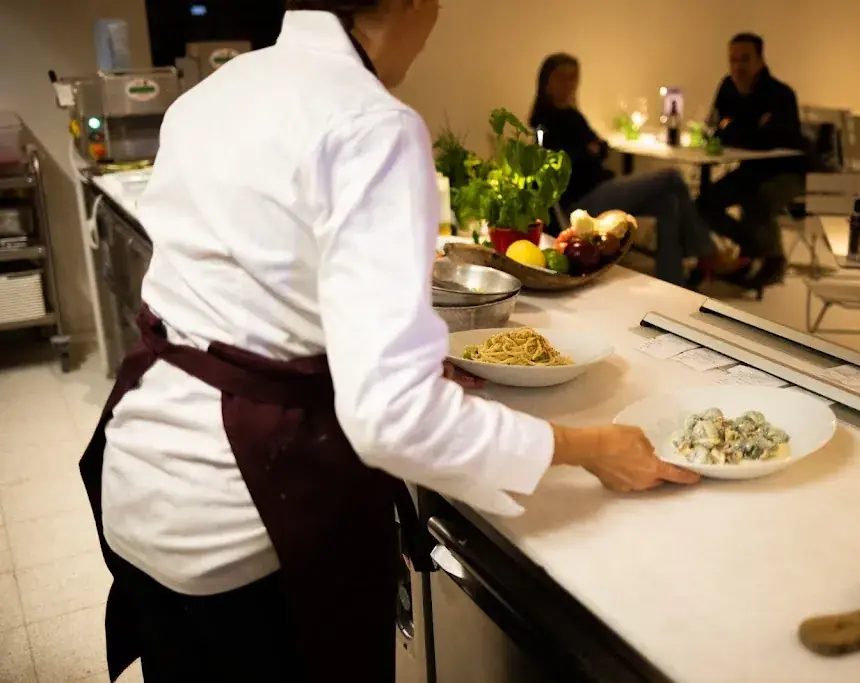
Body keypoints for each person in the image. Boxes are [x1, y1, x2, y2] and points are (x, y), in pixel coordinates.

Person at [78, 4, 700, 682]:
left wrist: (386, 353)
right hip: (244, 520)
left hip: (139, 481)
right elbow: (392, 421)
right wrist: (593, 448)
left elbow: (253, 297)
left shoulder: (212, 95)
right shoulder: (373, 125)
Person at [529, 53, 743, 288]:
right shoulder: (544, 120)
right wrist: (589, 151)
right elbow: (567, 160)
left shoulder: (573, 114)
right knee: (671, 177)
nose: (570, 83)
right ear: (547, 81)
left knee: (669, 202)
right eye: (563, 77)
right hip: (581, 201)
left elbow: (601, 148)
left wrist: (591, 150)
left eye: (574, 77)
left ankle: (672, 282)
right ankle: (708, 253)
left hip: (600, 186)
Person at [697, 33, 806, 291]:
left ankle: (769, 261)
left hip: (789, 173)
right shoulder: (727, 86)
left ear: (760, 60)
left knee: (759, 199)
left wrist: (733, 129)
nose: (738, 66)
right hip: (751, 170)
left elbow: (768, 140)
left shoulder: (781, 94)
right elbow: (713, 127)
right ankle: (756, 248)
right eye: (732, 60)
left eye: (744, 59)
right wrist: (743, 130)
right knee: (704, 203)